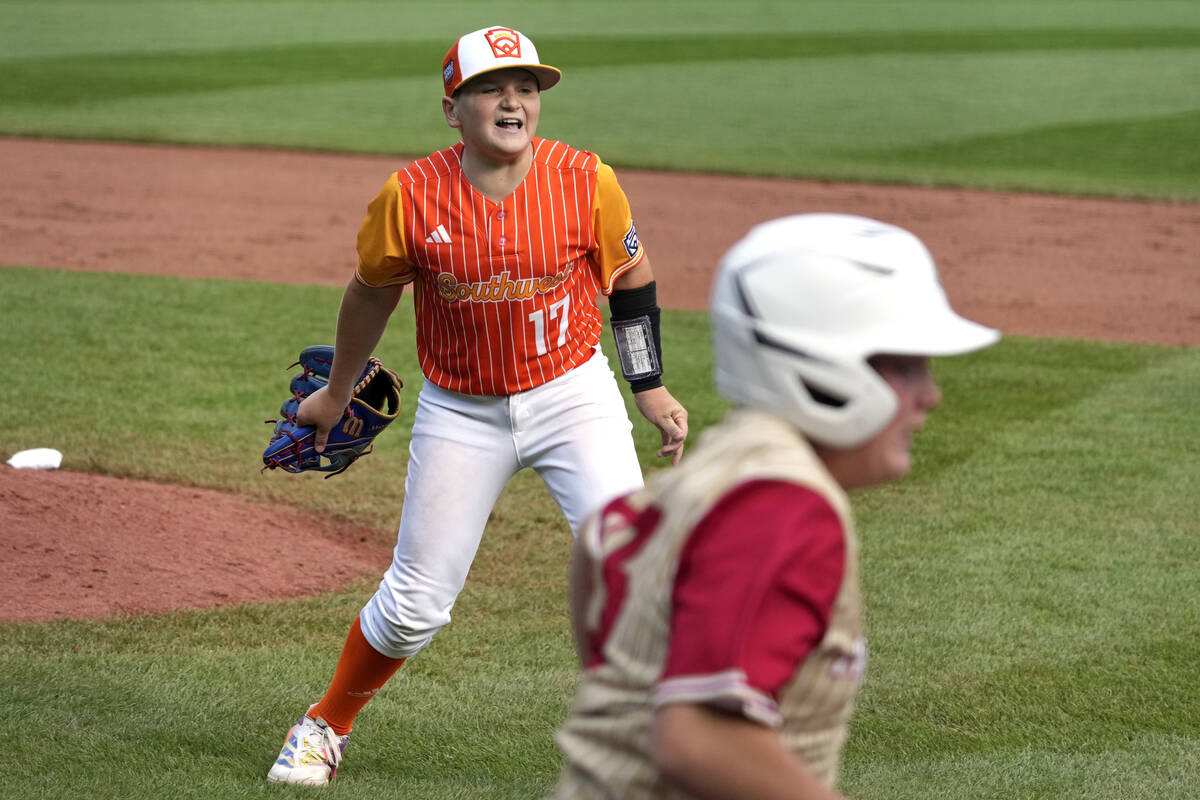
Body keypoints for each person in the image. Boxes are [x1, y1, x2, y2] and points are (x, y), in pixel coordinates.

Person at [267, 25, 688, 786]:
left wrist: (647, 383)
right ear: (452, 107)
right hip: (462, 413)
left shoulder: (586, 180)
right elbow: (371, 293)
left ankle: (675, 736)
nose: (513, 101)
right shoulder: (410, 196)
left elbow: (632, 277)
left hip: (574, 398)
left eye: (526, 87)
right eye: (493, 87)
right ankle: (325, 724)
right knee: (414, 607)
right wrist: (335, 394)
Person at [552, 213, 1000, 799]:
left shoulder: (726, 467)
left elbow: (602, 544)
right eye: (907, 366)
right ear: (823, 366)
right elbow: (697, 738)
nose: (930, 396)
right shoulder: (785, 503)